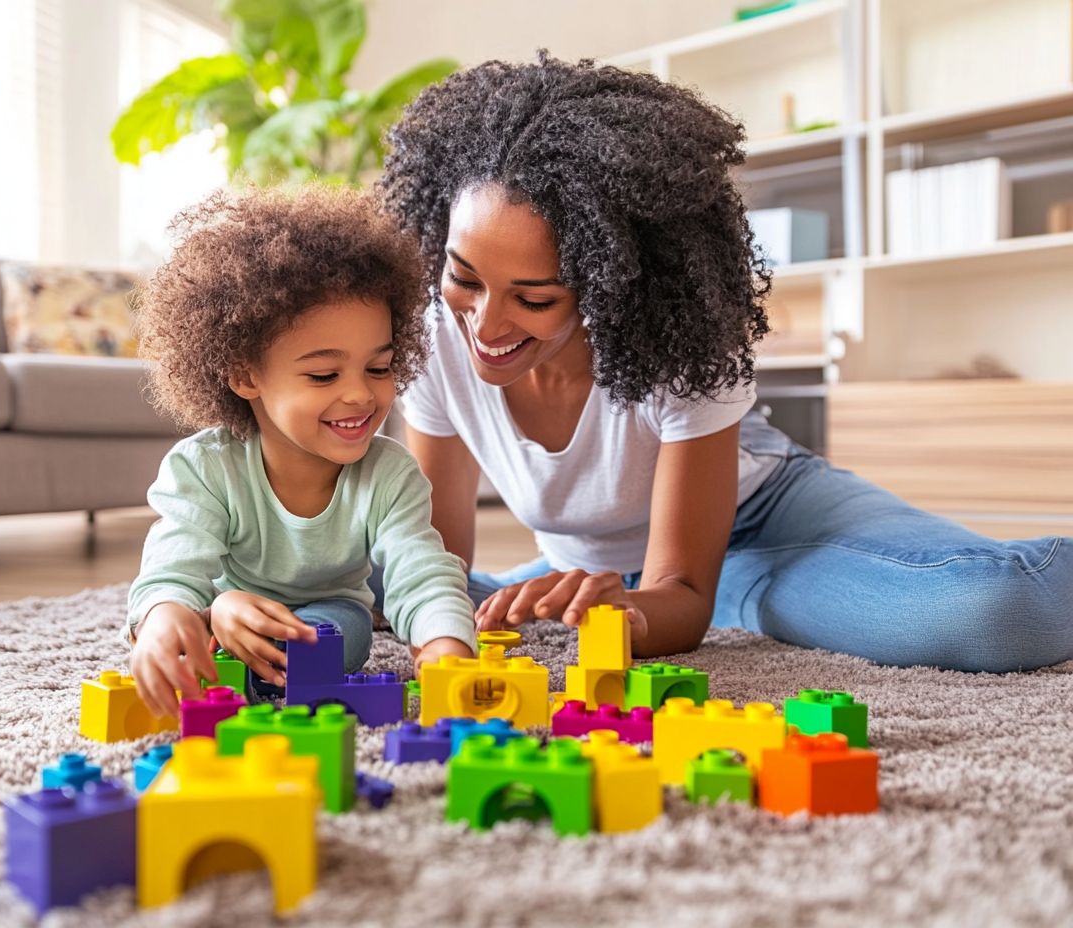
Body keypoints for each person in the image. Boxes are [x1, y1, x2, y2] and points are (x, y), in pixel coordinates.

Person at [376, 53, 1072, 673]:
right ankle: (772, 597)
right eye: (464, 277)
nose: (485, 323)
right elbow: (441, 569)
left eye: (535, 298)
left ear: (609, 280)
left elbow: (679, 597)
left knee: (998, 610)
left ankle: (751, 588)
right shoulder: (435, 336)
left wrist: (661, 606)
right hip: (602, 570)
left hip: (768, 515)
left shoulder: (675, 340)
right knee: (364, 580)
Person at [126, 187, 476, 718]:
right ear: (245, 374)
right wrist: (165, 617)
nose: (361, 394)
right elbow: (174, 566)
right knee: (197, 624)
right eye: (323, 374)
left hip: (333, 612)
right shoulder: (203, 467)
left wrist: (447, 643)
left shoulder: (389, 473)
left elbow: (420, 569)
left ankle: (261, 650)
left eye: (378, 368)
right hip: (227, 603)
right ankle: (225, 628)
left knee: (339, 636)